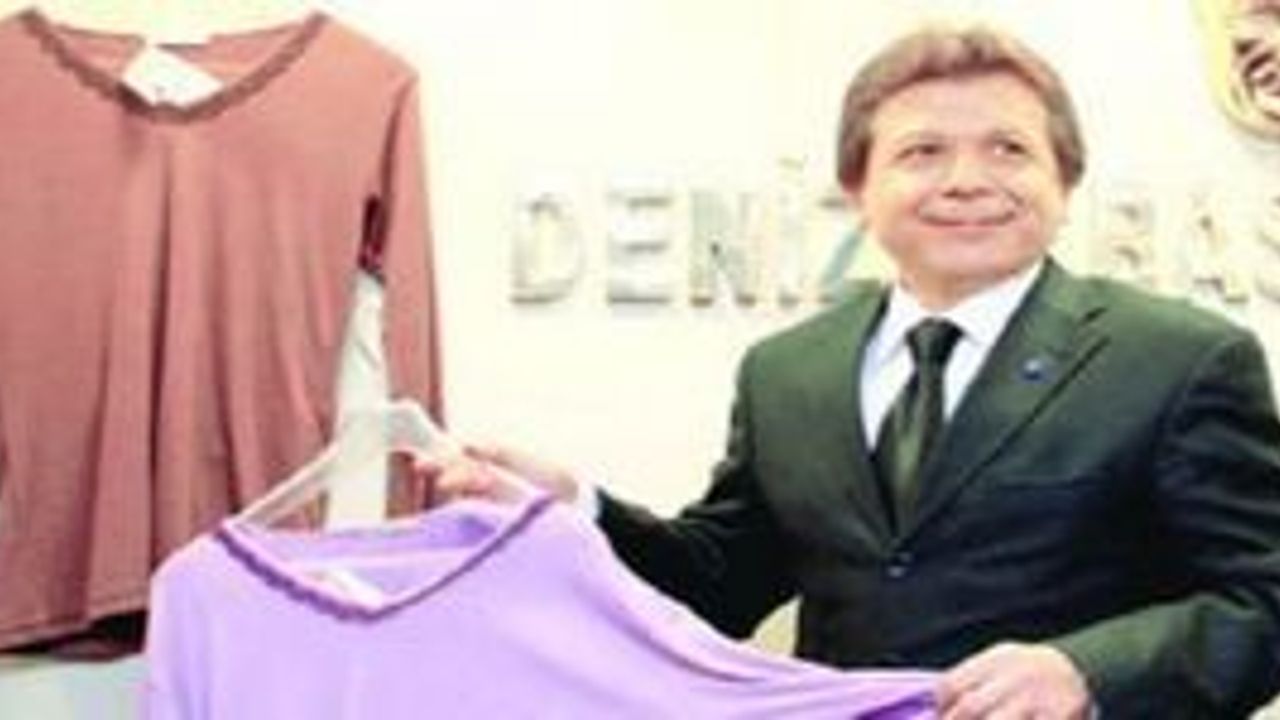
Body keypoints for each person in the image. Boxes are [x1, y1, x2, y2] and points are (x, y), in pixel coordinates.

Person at [431, 24, 1280, 719]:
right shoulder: (787, 373)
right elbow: (718, 583)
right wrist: (574, 510)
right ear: (857, 187)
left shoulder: (1181, 359)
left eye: (1008, 149)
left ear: (1064, 182)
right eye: (922, 152)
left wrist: (1089, 674)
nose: (967, 180)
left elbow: (1264, 603)